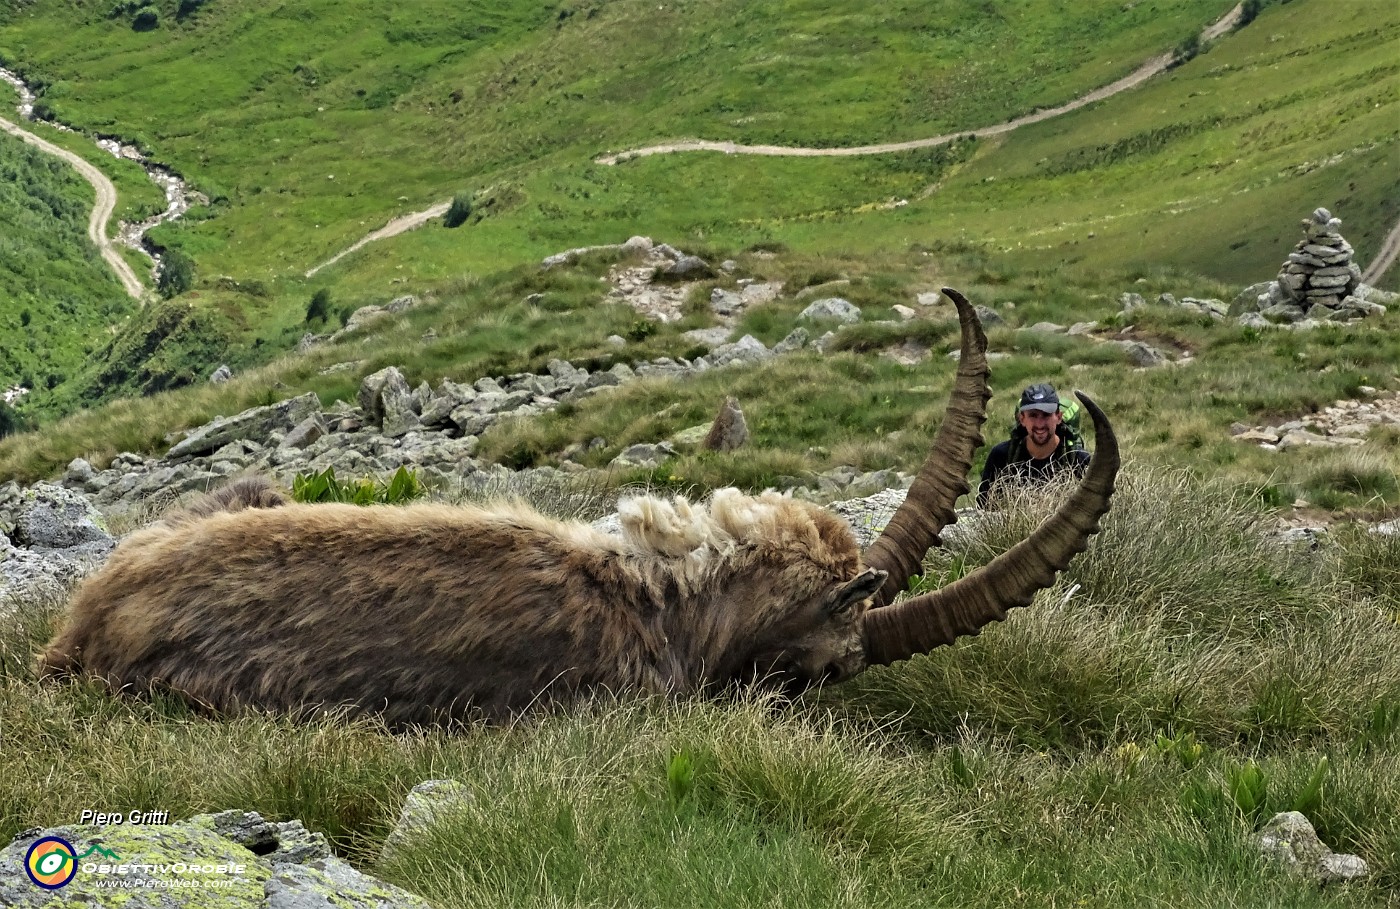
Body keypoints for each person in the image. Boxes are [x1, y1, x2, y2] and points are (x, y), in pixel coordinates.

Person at [977, 383, 1091, 508]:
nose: (1040, 424)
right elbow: (984, 507)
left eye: (1046, 415)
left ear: (1058, 417)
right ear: (1022, 419)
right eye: (1033, 415)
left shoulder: (1080, 460)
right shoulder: (1001, 456)